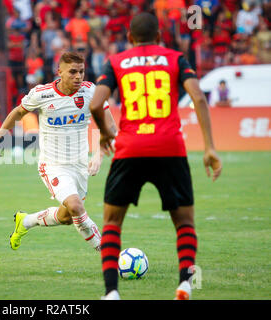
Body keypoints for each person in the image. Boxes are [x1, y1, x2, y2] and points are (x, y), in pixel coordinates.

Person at [89, 13, 222, 300]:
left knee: (112, 223)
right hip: (170, 147)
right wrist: (210, 147)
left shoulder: (116, 62)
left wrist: (103, 133)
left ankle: (111, 292)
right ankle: (185, 284)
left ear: (129, 38)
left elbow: (96, 103)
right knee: (184, 222)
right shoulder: (176, 58)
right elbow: (199, 98)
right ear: (159, 37)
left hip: (130, 148)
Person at [0, 52, 117, 252]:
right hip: (53, 165)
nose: (78, 76)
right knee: (77, 207)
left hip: (79, 166)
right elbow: (18, 112)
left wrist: (98, 155)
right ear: (59, 72)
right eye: (72, 72)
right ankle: (109, 253)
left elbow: (110, 126)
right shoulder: (42, 94)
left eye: (81, 72)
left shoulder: (90, 92)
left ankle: (26, 221)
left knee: (67, 217)